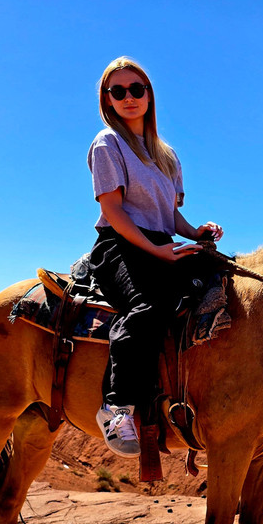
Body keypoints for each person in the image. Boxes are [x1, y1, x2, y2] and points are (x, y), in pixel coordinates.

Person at [87, 57, 223, 457]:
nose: (129, 97)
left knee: (218, 271)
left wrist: (195, 232)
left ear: (149, 95)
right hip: (120, 245)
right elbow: (113, 211)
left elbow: (171, 214)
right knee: (147, 309)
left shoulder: (166, 155)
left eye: (136, 89)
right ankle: (116, 406)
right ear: (108, 101)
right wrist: (158, 251)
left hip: (160, 241)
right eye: (118, 91)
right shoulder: (107, 144)